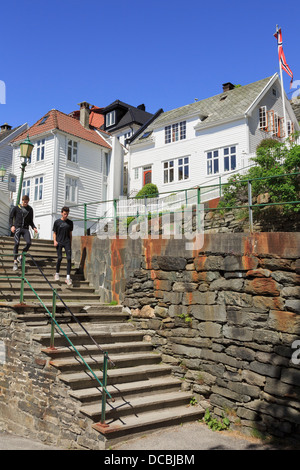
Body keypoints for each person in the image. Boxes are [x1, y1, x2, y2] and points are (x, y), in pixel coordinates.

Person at [9, 195, 38, 271]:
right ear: (22, 200)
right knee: (16, 243)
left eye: (27, 202)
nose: (25, 203)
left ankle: (20, 257)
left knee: (29, 243)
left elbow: (30, 221)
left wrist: (34, 227)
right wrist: (12, 226)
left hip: (25, 228)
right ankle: (15, 262)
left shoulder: (30, 209)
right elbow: (11, 217)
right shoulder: (16, 208)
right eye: (24, 202)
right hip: (17, 227)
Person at [53, 206, 73, 286]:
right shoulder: (57, 222)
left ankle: (68, 277)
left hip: (67, 242)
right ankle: (57, 273)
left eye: (67, 214)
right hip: (59, 242)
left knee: (69, 258)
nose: (66, 215)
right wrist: (54, 241)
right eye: (65, 214)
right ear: (61, 213)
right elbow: (54, 233)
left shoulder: (70, 223)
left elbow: (70, 234)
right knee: (60, 258)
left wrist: (70, 243)